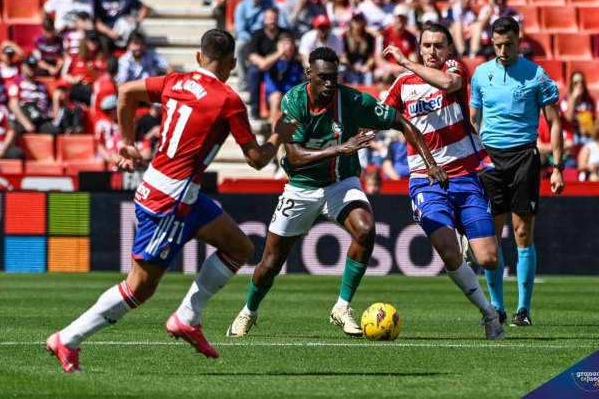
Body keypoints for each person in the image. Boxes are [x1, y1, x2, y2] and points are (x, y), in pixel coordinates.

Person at [46, 28, 298, 373]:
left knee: (239, 247)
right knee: (140, 288)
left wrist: (127, 141)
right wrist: (278, 135)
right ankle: (68, 339)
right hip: (170, 200)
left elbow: (125, 92)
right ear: (233, 64)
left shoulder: (175, 81)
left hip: (177, 192)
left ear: (198, 57)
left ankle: (187, 317)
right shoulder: (228, 100)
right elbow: (256, 159)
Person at [226, 46, 448, 338]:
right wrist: (342, 148)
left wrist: (430, 163)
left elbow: (402, 122)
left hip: (341, 183)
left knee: (366, 229)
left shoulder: (352, 100)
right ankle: (249, 312)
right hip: (301, 187)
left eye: (334, 76)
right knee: (270, 264)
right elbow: (294, 157)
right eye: (322, 77)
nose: (329, 83)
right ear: (309, 74)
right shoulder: (293, 101)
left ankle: (342, 307)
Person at [383, 23, 505, 340]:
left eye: (439, 45)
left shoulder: (455, 70)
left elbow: (449, 83)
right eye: (427, 46)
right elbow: (382, 116)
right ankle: (489, 315)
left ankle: (471, 247)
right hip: (426, 181)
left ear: (449, 50)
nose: (433, 51)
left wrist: (407, 62)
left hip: (466, 178)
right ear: (420, 47)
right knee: (449, 253)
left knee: (489, 259)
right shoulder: (402, 85)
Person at [469, 17, 565, 327]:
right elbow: (472, 122)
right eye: (497, 44)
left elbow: (555, 122)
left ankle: (524, 309)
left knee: (523, 233)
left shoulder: (536, 75)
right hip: (491, 159)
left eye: (508, 44)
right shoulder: (481, 75)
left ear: (518, 40)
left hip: (525, 156)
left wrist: (558, 167)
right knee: (491, 238)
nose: (502, 50)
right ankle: (496, 307)